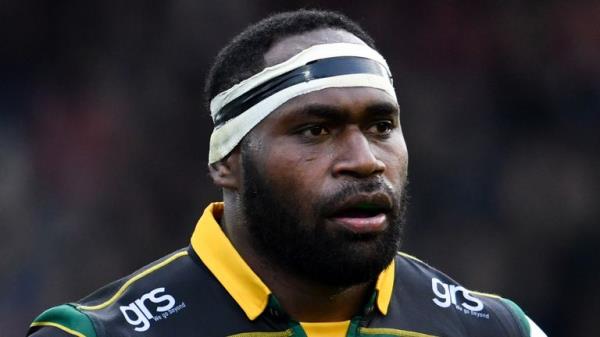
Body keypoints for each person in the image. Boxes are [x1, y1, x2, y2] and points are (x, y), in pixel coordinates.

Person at [27, 9, 547, 337]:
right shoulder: (98, 333)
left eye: (382, 125)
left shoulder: (499, 329)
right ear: (227, 162)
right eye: (315, 131)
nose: (364, 159)